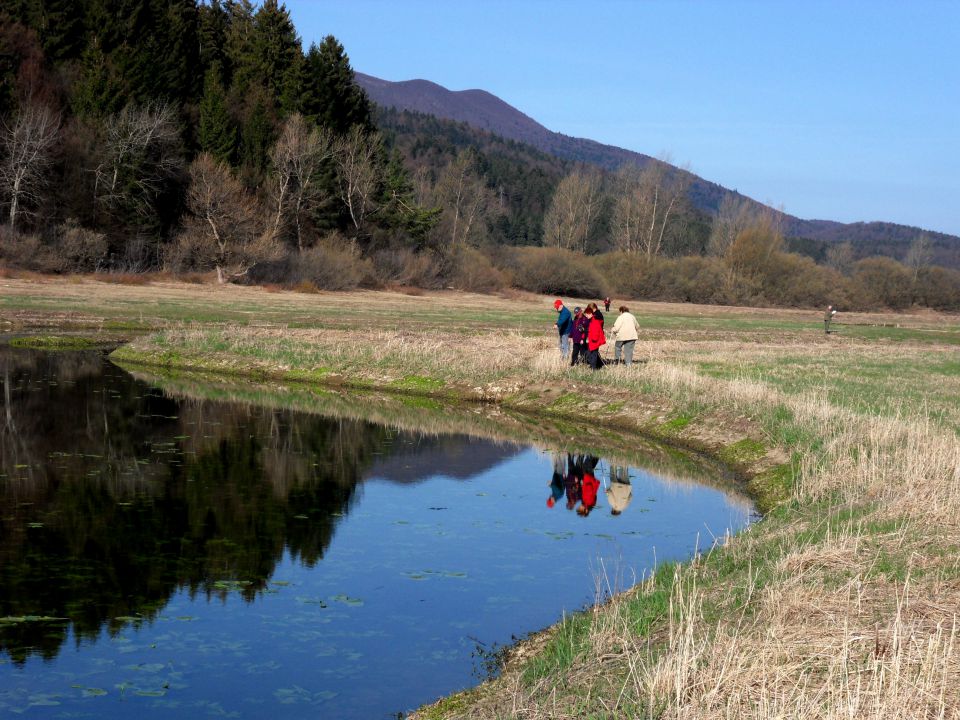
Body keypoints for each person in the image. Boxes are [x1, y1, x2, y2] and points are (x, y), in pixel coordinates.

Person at [584, 306, 606, 370]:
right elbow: (590, 329)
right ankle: (596, 366)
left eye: (587, 314)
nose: (586, 316)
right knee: (590, 355)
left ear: (590, 314)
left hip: (594, 341)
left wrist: (594, 338)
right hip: (592, 341)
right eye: (585, 315)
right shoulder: (591, 320)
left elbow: (596, 331)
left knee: (593, 355)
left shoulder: (595, 321)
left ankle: (594, 368)